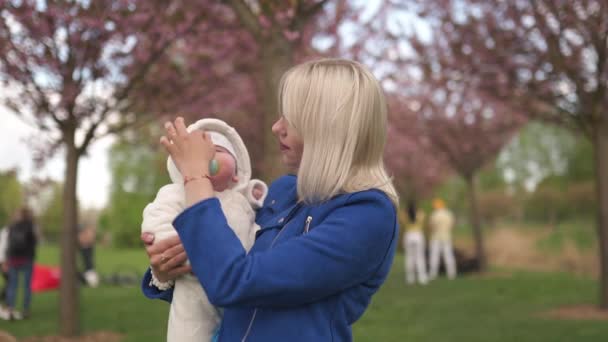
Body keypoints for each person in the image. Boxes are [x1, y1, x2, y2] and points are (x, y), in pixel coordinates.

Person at [141, 58, 399, 341]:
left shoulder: (367, 214)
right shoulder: (283, 192)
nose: (277, 127)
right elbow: (219, 283)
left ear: (328, 125)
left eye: (291, 118)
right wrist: (167, 270)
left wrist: (195, 178)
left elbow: (236, 281)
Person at [141, 118, 267, 342]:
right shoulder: (176, 193)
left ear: (237, 173)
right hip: (194, 286)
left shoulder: (240, 200)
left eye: (218, 151)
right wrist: (171, 247)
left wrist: (256, 194)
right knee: (189, 330)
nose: (207, 158)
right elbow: (158, 218)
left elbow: (257, 214)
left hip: (241, 287)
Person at [3, 207, 37, 320]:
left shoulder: (12, 227)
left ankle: (10, 309)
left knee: (12, 285)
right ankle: (26, 310)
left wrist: (7, 259)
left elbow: (8, 244)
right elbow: (34, 243)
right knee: (27, 286)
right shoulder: (31, 226)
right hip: (27, 259)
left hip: (13, 259)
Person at [428, 198, 457, 280]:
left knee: (434, 256)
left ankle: (433, 274)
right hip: (446, 236)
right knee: (448, 255)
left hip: (436, 237)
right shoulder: (448, 214)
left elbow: (431, 226)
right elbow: (452, 225)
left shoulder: (434, 215)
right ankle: (452, 273)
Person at [403, 200, 428, 285]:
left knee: (409, 257)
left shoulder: (405, 214)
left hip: (409, 235)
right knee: (419, 257)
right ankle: (422, 277)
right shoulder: (420, 214)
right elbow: (423, 219)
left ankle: (410, 278)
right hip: (418, 235)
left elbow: (402, 222)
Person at [78, 223, 99, 287]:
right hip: (85, 272)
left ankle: (83, 280)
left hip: (89, 272)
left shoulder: (88, 244)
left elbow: (89, 238)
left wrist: (87, 232)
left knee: (92, 282)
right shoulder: (82, 244)